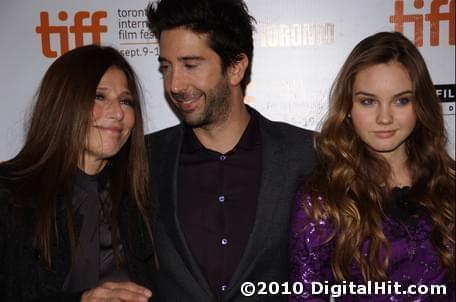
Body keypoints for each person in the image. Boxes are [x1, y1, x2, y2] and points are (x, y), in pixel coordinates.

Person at [145, 0, 316, 301]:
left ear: (236, 68)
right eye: (166, 67)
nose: (174, 84)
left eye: (190, 65)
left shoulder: (308, 155)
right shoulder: (144, 159)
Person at [289, 31, 455, 301]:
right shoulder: (324, 197)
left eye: (401, 100)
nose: (385, 117)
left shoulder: (449, 184)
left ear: (421, 104)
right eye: (368, 101)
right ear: (348, 107)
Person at [0, 45, 155, 301]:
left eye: (126, 101)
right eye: (99, 96)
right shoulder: (10, 195)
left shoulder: (140, 196)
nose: (117, 113)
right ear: (63, 103)